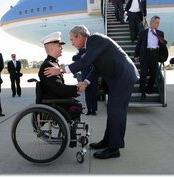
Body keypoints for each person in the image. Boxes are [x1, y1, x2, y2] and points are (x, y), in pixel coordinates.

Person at [44, 25, 139, 159]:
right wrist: (87, 82)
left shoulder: (95, 39)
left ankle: (114, 148)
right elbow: (96, 68)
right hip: (118, 78)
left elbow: (85, 62)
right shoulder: (92, 46)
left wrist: (60, 70)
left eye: (72, 39)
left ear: (80, 36)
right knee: (113, 111)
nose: (72, 43)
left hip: (122, 77)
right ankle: (108, 141)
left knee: (116, 111)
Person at [38, 32, 86, 100]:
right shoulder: (47, 66)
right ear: (51, 49)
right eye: (59, 46)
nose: (62, 48)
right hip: (56, 102)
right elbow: (59, 89)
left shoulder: (53, 63)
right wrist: (77, 88)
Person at [134, 15, 165, 101]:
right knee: (143, 74)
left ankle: (149, 88)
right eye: (157, 22)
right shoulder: (143, 33)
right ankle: (143, 92)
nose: (158, 24)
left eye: (159, 22)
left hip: (155, 54)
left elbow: (162, 46)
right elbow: (139, 45)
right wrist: (136, 55)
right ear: (151, 22)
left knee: (154, 74)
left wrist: (162, 56)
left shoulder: (160, 33)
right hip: (145, 54)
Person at [72, 48, 98, 116]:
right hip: (85, 78)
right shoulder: (82, 51)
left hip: (94, 77)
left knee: (94, 95)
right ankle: (89, 110)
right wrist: (81, 56)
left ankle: (94, 110)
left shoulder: (92, 52)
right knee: (88, 95)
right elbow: (74, 58)